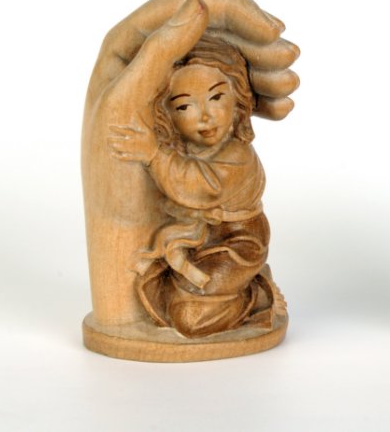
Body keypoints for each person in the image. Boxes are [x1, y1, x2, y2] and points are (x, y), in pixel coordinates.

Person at [108, 32, 280, 338]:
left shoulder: (237, 155)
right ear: (168, 116)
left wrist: (154, 155)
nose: (205, 117)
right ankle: (215, 290)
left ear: (238, 99)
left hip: (239, 241)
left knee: (190, 320)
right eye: (185, 107)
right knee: (168, 290)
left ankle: (257, 297)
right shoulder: (186, 149)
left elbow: (199, 186)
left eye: (216, 98)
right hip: (200, 235)